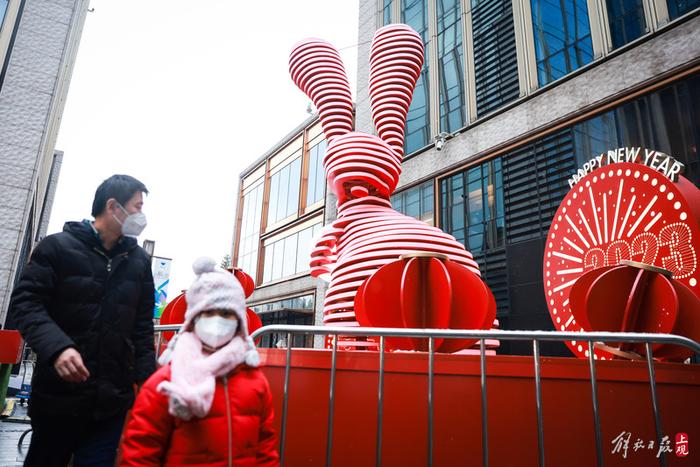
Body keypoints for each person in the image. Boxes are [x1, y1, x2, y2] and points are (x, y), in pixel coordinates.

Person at [9, 174, 156, 467]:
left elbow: (142, 330)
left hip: (111, 402)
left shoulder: (138, 261)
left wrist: (151, 385)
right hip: (58, 399)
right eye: (137, 207)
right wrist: (58, 348)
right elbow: (26, 303)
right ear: (113, 206)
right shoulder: (57, 248)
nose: (141, 215)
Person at [119, 257, 279, 466]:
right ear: (193, 319)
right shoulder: (166, 382)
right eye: (208, 313)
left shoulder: (255, 381)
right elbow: (140, 453)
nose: (216, 320)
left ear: (239, 321)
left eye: (225, 314)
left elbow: (265, 449)